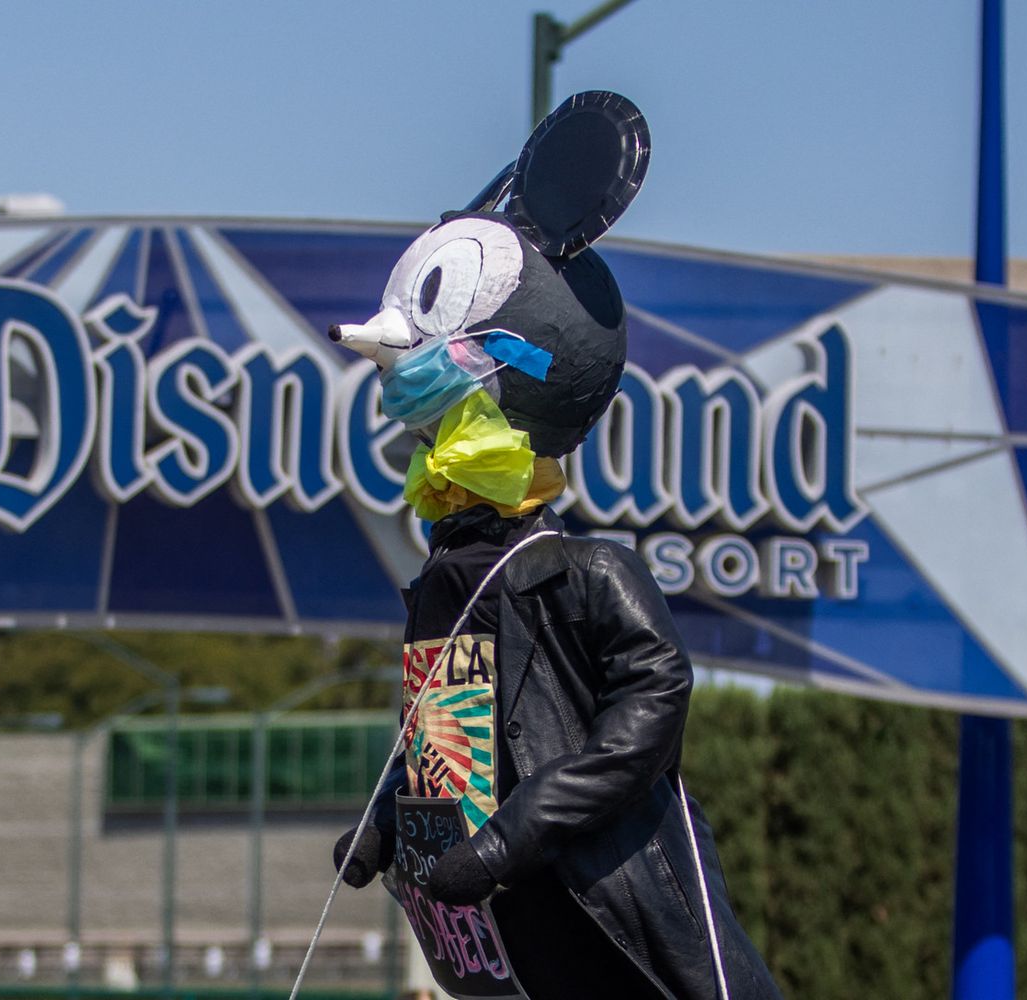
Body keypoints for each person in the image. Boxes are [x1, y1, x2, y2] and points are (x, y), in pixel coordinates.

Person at [328, 93, 782, 999]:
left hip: (615, 926)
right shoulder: (443, 584)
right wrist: (389, 822)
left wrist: (513, 834)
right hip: (510, 950)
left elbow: (652, 705)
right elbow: (443, 742)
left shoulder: (584, 576)